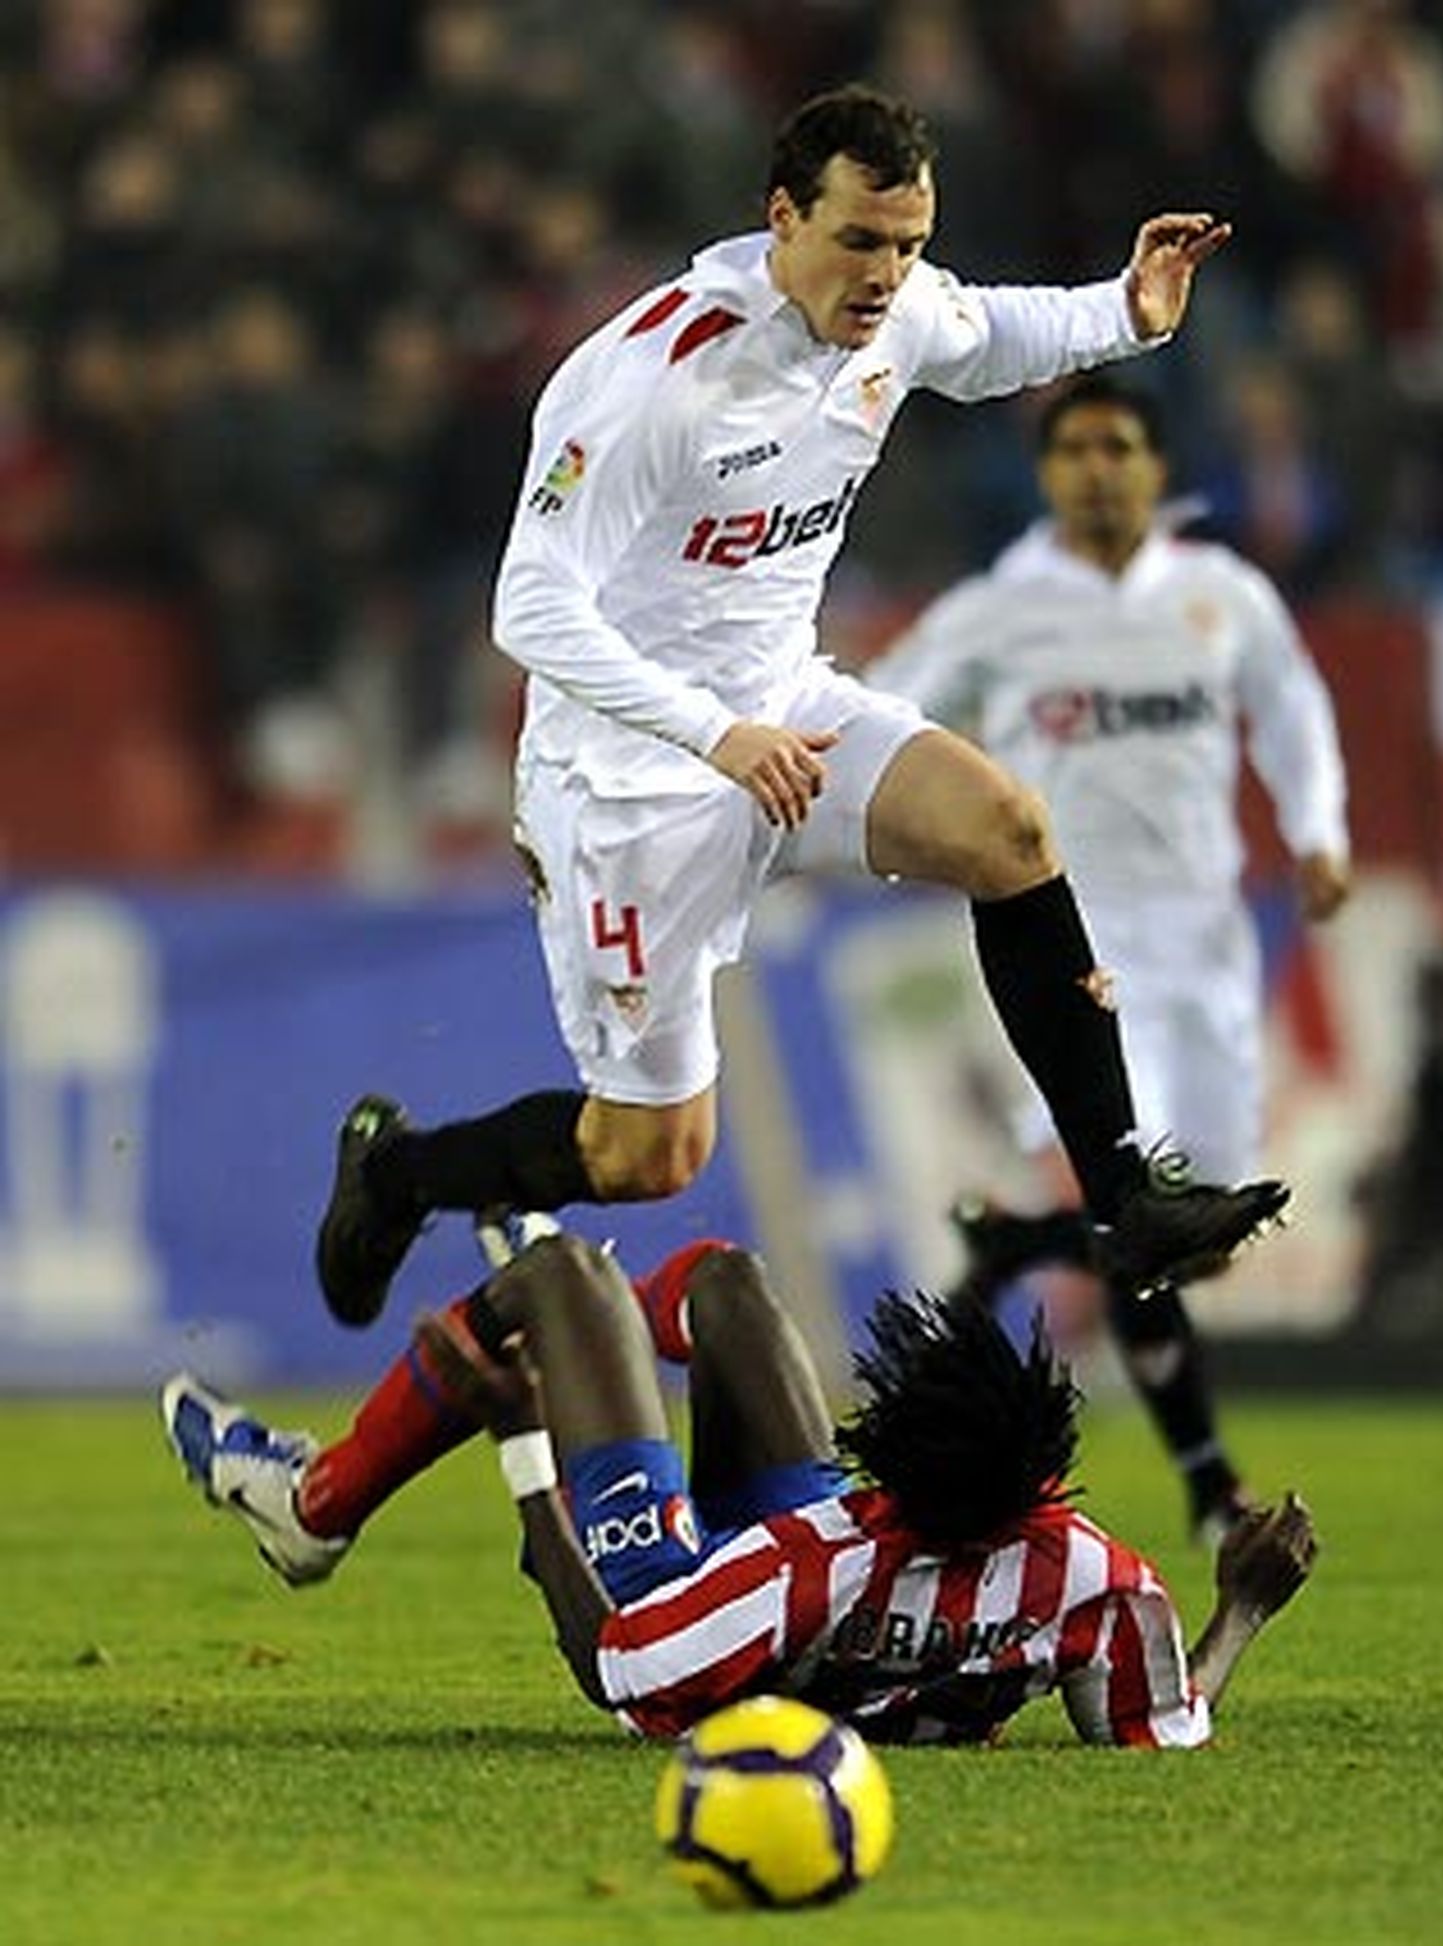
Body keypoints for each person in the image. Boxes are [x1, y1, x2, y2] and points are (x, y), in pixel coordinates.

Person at [311, 84, 1287, 1333]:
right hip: (634, 781)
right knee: (647, 1156)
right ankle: (399, 1175)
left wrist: (1127, 314)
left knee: (1012, 835)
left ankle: (1121, 1200)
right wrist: (719, 736)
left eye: (908, 243)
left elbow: (985, 334)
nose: (888, 275)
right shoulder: (647, 381)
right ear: (782, 217)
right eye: (861, 241)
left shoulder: (896, 314)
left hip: (789, 717)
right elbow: (531, 612)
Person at [162, 1221, 1319, 1747]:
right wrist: (1243, 1608)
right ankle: (611, 1321)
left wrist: (525, 1451)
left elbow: (614, 1664)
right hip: (828, 1592)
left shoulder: (801, 1567)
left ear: (899, 1475)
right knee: (726, 1281)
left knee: (556, 1276)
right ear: (1041, 1476)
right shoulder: (1084, 1571)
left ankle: (313, 1508)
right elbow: (1162, 1714)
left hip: (696, 1594)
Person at [870, 374, 1351, 1540]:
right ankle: (1205, 1482)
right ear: (1046, 472)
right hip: (1076, 944)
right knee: (1140, 1208)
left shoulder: (1219, 595)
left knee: (1201, 1233)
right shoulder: (1001, 608)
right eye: (1073, 447)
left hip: (1205, 939)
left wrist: (1318, 829)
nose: (1095, 466)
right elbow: (886, 711)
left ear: (1153, 464)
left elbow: (1290, 711)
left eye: (1118, 445)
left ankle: (1017, 1242)